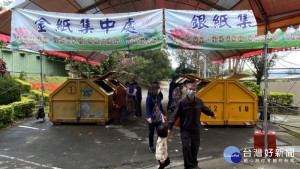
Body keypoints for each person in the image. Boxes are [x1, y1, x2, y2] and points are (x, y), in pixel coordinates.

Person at [167, 83, 216, 169]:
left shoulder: (199, 101)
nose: (191, 91)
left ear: (196, 91)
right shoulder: (182, 102)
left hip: (196, 128)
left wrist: (212, 114)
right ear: (186, 90)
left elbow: (205, 109)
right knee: (186, 147)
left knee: (195, 147)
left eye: (193, 90)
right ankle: (188, 166)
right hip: (185, 129)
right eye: (190, 89)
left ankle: (194, 164)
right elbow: (174, 115)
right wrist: (169, 127)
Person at [146, 85, 166, 153]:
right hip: (151, 119)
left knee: (159, 133)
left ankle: (159, 146)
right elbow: (147, 107)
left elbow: (161, 106)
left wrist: (164, 115)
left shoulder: (158, 97)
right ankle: (151, 146)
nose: (157, 91)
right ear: (153, 90)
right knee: (151, 133)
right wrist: (148, 117)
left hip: (158, 118)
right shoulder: (149, 98)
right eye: (156, 90)